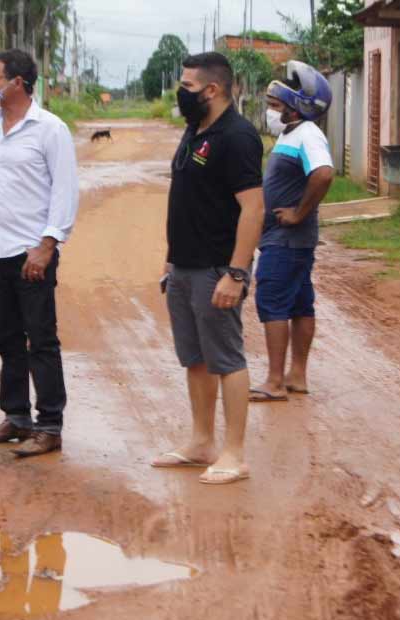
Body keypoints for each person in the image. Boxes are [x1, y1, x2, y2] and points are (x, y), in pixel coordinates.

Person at [151, 52, 266, 485]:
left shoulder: (237, 136)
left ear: (212, 90)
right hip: (184, 265)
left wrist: (236, 273)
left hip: (217, 267)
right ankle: (202, 442)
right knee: (195, 358)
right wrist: (171, 258)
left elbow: (253, 210)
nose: (181, 93)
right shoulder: (195, 129)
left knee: (227, 359)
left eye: (187, 86)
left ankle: (234, 453)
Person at [0, 49, 79, 458]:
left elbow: (65, 192)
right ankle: (16, 417)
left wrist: (47, 246)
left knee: (41, 339)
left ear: (17, 83)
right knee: (7, 338)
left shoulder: (50, 129)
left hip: (30, 253)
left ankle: (49, 425)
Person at [249, 61, 334, 403]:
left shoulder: (309, 135)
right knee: (300, 303)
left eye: (276, 107)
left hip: (287, 239)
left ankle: (274, 381)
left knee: (272, 301)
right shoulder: (291, 134)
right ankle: (296, 375)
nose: (271, 112)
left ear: (298, 107)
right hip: (285, 238)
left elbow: (324, 174)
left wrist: (299, 213)